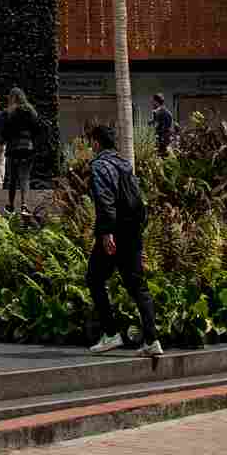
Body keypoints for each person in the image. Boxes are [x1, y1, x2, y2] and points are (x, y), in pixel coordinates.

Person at [83, 125, 161, 359]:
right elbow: (139, 200)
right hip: (132, 232)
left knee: (94, 278)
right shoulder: (125, 164)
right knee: (138, 286)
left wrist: (106, 233)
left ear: (96, 143)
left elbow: (104, 200)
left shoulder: (99, 166)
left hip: (114, 233)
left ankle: (110, 333)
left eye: (91, 142)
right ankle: (152, 339)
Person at [1, 86, 45, 215]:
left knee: (13, 178)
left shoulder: (10, 112)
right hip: (27, 147)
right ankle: (24, 205)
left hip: (13, 148)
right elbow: (38, 129)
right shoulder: (31, 111)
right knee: (25, 177)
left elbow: (4, 132)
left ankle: (10, 206)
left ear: (13, 98)